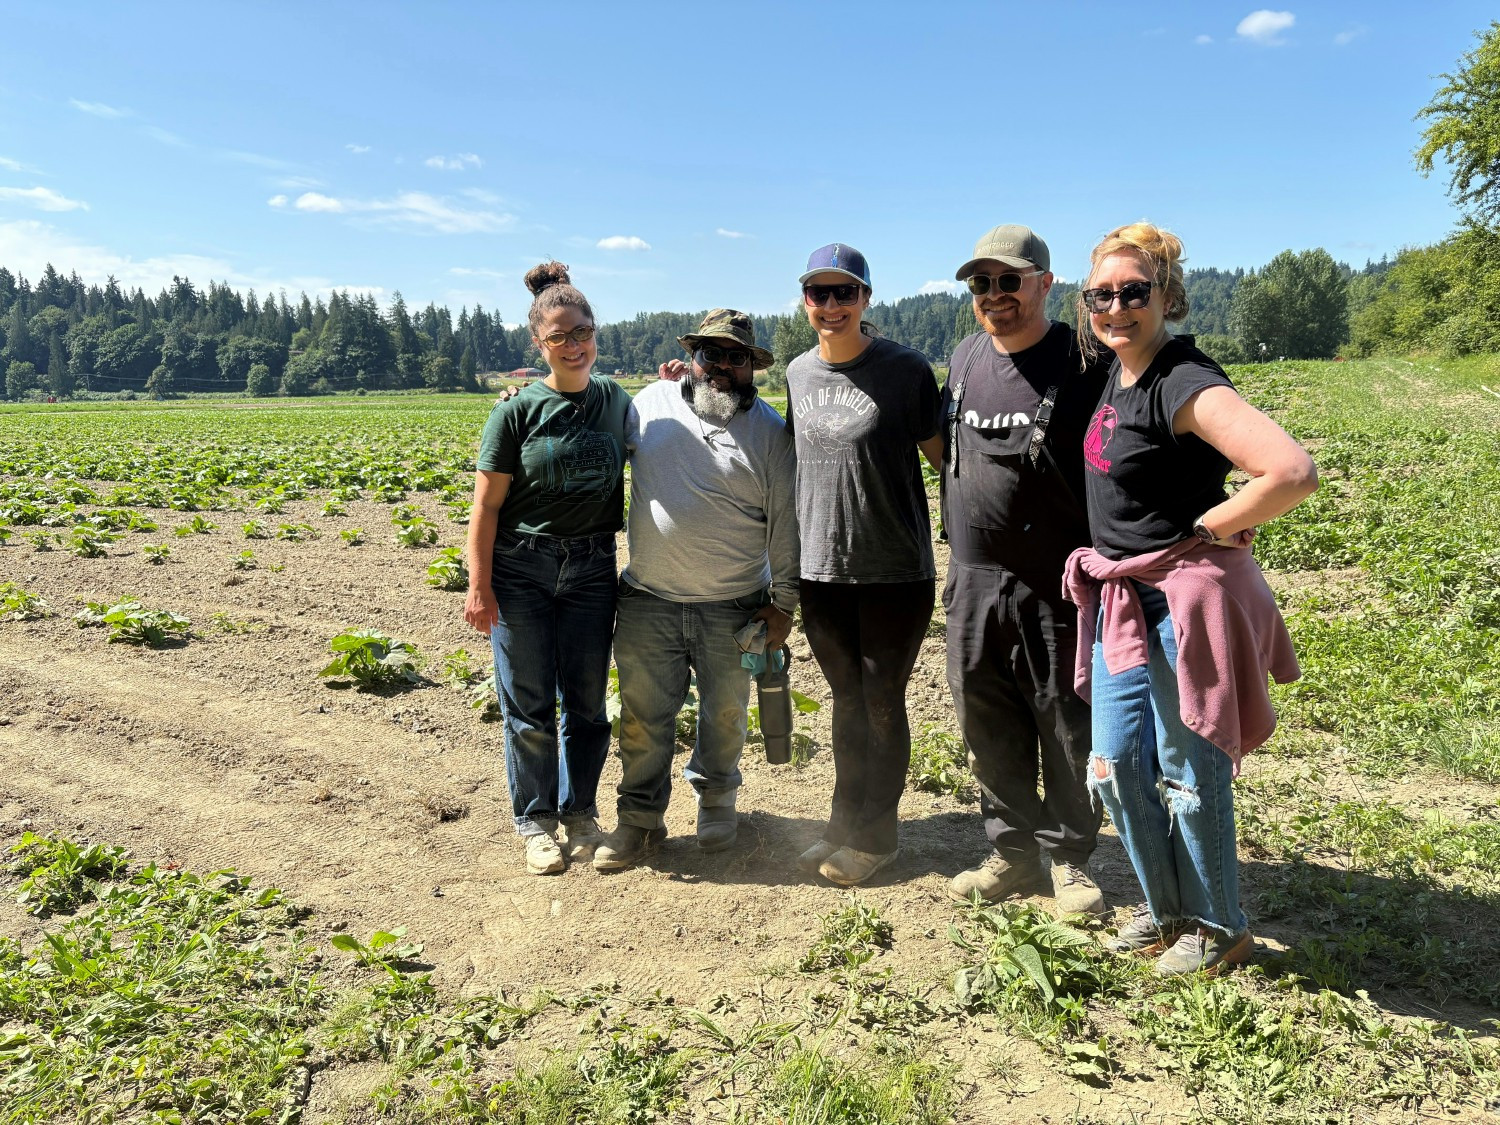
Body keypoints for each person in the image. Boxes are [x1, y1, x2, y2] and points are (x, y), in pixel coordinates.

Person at [1063, 222, 1317, 974]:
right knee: (1113, 762)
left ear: (1166, 298)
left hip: (1177, 603)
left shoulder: (1182, 380)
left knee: (1185, 767)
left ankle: (1218, 924)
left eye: (1133, 293)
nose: (1115, 307)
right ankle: (1167, 907)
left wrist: (1209, 526)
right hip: (1123, 602)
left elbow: (1291, 471)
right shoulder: (1119, 370)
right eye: (1100, 295)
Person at [940, 224, 1110, 914]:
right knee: (987, 721)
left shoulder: (1084, 361)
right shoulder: (964, 357)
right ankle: (1012, 853)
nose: (994, 295)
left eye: (1009, 280)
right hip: (973, 577)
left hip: (1055, 582)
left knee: (1067, 723)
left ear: (1045, 283)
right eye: (981, 283)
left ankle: (1070, 857)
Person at [592, 310, 800, 870]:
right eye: (712, 354)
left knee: (726, 714)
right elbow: (591, 446)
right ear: (693, 358)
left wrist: (784, 606)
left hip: (734, 605)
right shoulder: (648, 406)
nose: (722, 367)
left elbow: (786, 526)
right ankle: (638, 819)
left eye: (736, 358)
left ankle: (715, 802)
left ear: (753, 367)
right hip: (649, 599)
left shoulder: (773, 434)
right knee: (641, 717)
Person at [463, 261, 631, 876]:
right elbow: (485, 505)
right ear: (539, 343)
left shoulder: (616, 400)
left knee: (587, 703)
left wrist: (677, 379)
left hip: (591, 568)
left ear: (595, 332)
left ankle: (580, 810)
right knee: (529, 704)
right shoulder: (514, 413)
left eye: (581, 331)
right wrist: (478, 585)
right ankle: (535, 822)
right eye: (559, 336)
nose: (574, 344)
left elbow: (670, 429)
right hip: (522, 570)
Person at [786, 243, 943, 886]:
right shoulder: (797, 373)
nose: (831, 305)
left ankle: (878, 836)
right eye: (819, 294)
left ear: (865, 300)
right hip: (821, 570)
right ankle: (842, 822)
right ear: (805, 302)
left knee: (882, 700)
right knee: (845, 701)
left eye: (844, 293)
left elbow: (946, 461)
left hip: (893, 571)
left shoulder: (904, 370)